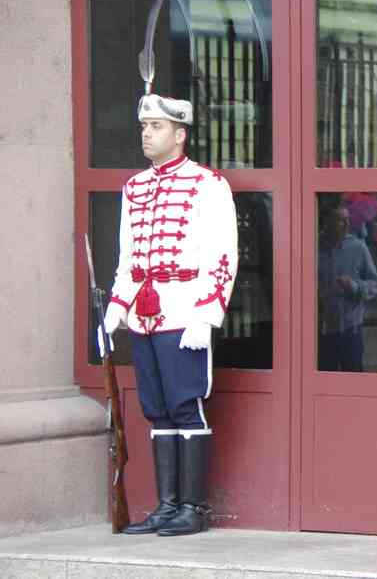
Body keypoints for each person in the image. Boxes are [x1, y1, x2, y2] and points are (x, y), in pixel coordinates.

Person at [102, 94, 238, 536]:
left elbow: (223, 256)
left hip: (185, 311)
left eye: (157, 127)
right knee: (156, 409)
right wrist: (115, 311)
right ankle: (166, 506)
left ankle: (193, 509)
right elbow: (128, 259)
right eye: (144, 126)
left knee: (185, 407)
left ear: (180, 134)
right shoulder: (134, 188)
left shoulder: (207, 184)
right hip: (144, 316)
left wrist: (207, 314)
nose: (146, 133)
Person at [318, 204, 377, 371]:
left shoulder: (358, 248)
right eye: (340, 220)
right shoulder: (312, 247)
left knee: (352, 382)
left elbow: (374, 284)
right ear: (326, 222)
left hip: (350, 330)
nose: (346, 224)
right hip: (321, 332)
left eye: (347, 219)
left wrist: (354, 285)